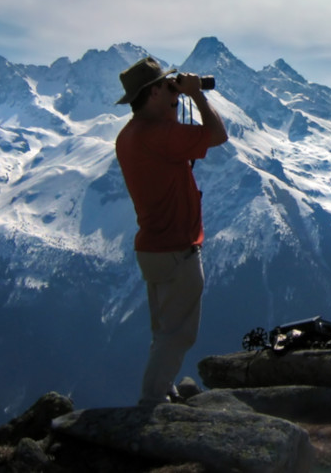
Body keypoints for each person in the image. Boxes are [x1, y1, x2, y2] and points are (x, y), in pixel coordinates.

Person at [114, 57, 228, 406]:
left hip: (152, 249)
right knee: (178, 334)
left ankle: (162, 388)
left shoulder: (130, 134)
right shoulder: (157, 135)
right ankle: (151, 403)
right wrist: (197, 97)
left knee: (163, 331)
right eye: (167, 85)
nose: (174, 90)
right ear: (151, 94)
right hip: (176, 249)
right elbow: (217, 135)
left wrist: (178, 99)